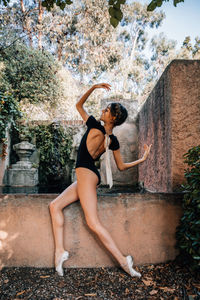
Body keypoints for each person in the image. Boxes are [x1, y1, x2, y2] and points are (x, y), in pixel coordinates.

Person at [49, 83, 151, 278]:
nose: (102, 111)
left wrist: (94, 88)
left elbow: (79, 105)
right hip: (87, 175)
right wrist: (142, 159)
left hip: (86, 174)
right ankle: (59, 252)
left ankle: (124, 261)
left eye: (107, 110)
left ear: (113, 117)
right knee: (54, 207)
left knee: (93, 222)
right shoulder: (112, 140)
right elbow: (121, 167)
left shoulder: (96, 126)